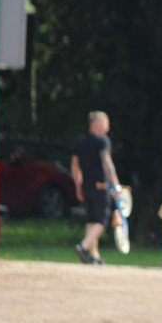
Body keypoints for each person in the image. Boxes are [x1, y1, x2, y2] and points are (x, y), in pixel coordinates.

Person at [71, 111, 121, 265]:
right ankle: (83, 247)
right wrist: (116, 185)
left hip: (86, 186)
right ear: (98, 124)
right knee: (101, 221)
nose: (108, 127)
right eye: (106, 123)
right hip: (101, 186)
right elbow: (107, 162)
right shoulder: (102, 141)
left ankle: (94, 256)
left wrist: (78, 185)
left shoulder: (80, 141)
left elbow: (74, 166)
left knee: (91, 220)